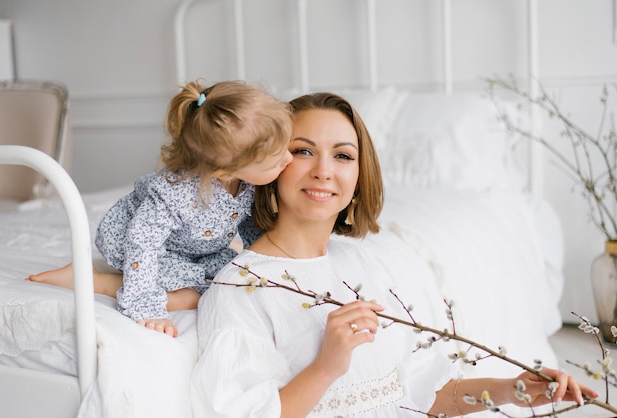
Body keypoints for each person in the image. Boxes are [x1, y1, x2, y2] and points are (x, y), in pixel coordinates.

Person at [189, 92, 598, 417]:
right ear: (271, 163)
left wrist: (512, 390)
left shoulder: (366, 263)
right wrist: (326, 367)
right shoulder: (240, 288)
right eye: (304, 150)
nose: (324, 171)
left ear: (359, 175)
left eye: (344, 155)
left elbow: (422, 398)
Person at [28, 79, 293, 337]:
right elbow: (142, 245)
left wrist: (267, 262)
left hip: (190, 249)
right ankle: (88, 279)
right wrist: (147, 307)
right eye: (275, 162)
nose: (289, 160)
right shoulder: (176, 195)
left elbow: (249, 223)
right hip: (138, 243)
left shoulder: (244, 181)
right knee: (197, 295)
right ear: (224, 171)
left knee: (229, 276)